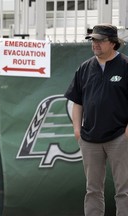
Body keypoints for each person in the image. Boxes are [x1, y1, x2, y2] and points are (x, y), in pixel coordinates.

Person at [65, 24, 128, 216]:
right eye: (93, 40)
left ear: (113, 43)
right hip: (90, 138)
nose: (95, 44)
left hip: (120, 137)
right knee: (92, 190)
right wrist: (77, 130)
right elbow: (77, 102)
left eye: (100, 40)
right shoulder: (85, 68)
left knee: (124, 190)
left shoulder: (125, 66)